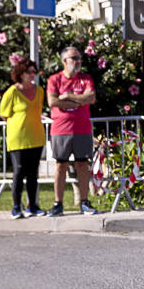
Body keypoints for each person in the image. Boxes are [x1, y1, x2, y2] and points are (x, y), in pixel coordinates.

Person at [46, 46, 98, 216]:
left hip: (82, 128)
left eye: (79, 58)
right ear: (64, 61)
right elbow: (52, 101)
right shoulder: (54, 79)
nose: (78, 61)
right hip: (61, 129)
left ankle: (84, 202)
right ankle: (58, 203)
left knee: (82, 164)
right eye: (74, 58)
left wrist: (68, 96)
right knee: (61, 165)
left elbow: (91, 98)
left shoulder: (86, 79)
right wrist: (78, 101)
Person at [0, 57, 47, 218]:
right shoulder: (12, 92)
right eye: (29, 72)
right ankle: (16, 206)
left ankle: (33, 206)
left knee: (33, 173)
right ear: (20, 73)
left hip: (36, 136)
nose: (32, 74)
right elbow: (4, 115)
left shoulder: (39, 91)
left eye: (34, 71)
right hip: (18, 138)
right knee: (19, 171)